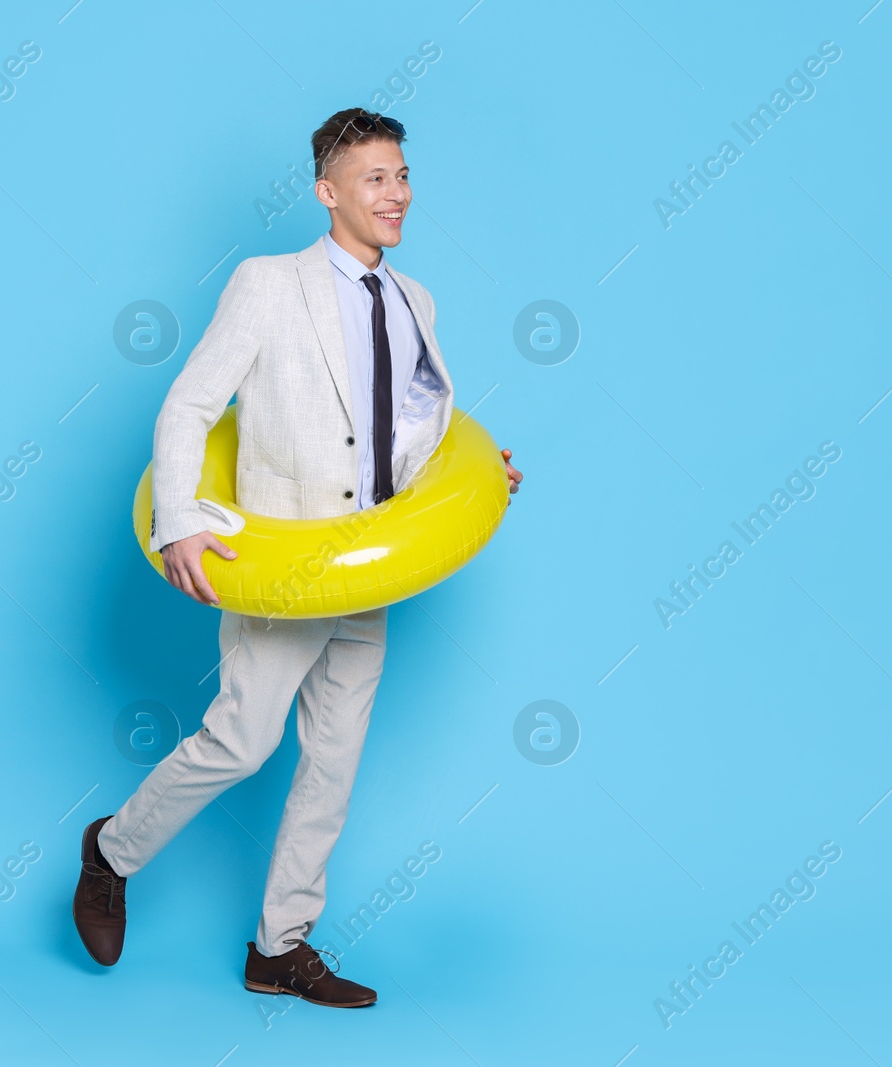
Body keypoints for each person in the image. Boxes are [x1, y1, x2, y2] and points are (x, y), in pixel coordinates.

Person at [72, 107, 523, 1008]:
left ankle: (280, 947)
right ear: (328, 192)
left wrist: (474, 480)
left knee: (334, 763)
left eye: (400, 175)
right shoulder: (268, 284)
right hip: (286, 568)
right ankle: (111, 850)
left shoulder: (415, 299)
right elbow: (190, 407)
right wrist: (180, 521)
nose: (396, 194)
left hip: (369, 571)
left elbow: (408, 429)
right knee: (243, 740)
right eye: (374, 179)